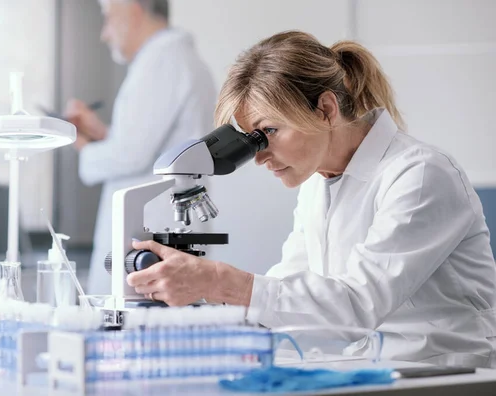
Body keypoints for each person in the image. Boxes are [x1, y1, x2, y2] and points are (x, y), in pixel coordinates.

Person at [127, 30, 496, 367]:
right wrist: (198, 317)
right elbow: (290, 290)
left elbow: (356, 305)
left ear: (326, 109)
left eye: (268, 131)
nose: (257, 156)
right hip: (375, 368)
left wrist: (216, 281)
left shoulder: (419, 174)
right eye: (251, 137)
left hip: (450, 372)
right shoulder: (316, 184)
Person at [65, 0, 216, 294]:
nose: (105, 34)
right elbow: (152, 147)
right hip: (164, 227)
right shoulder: (180, 60)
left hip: (150, 232)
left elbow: (130, 155)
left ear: (131, 10)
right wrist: (102, 133)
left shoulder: (161, 60)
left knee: (134, 331)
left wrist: (81, 144)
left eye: (108, 18)